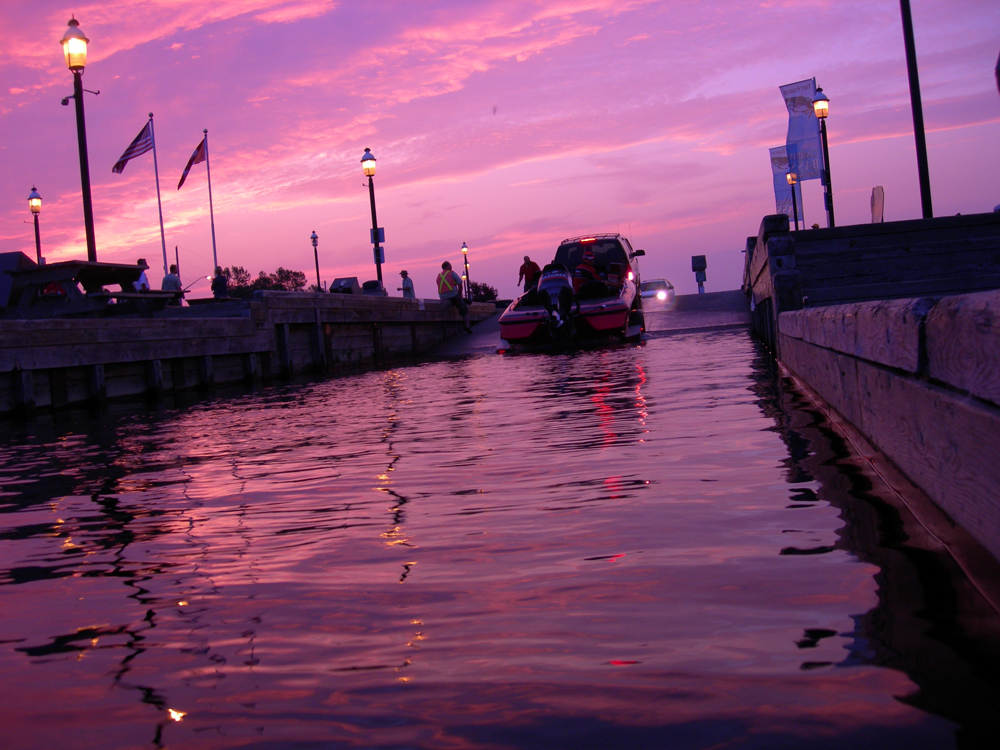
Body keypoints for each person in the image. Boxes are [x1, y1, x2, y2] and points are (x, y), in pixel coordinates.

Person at [437, 261, 472, 333]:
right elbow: (460, 284)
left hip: (443, 297)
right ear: (447, 266)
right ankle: (467, 325)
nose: (451, 267)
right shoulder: (452, 273)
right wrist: (459, 294)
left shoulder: (439, 276)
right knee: (463, 308)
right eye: (450, 265)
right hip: (453, 295)